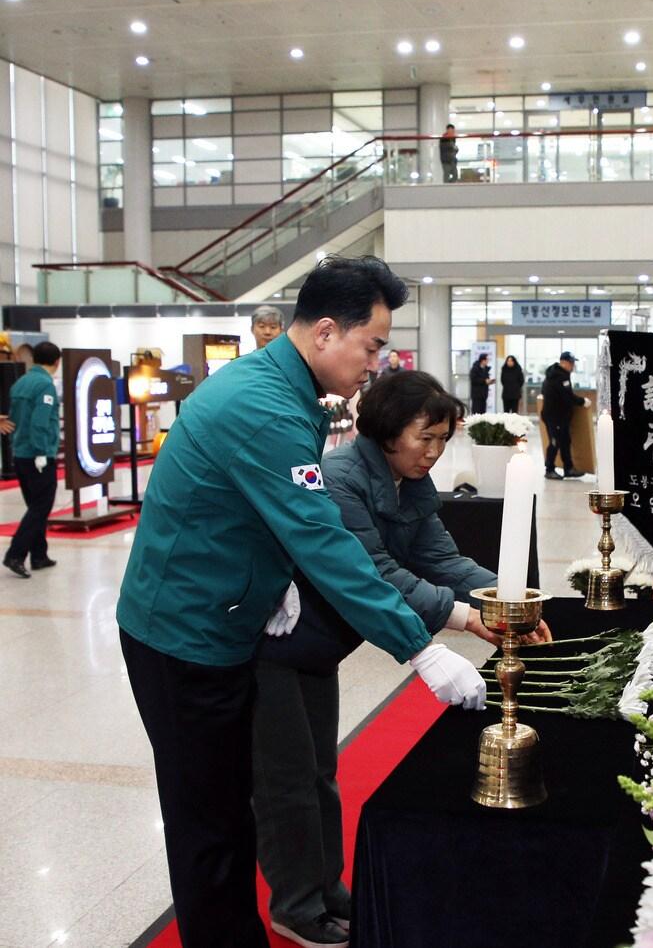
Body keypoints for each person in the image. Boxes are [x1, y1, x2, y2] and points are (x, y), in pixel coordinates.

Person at [116, 256, 488, 948]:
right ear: (325, 333)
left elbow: (275, 510)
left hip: (228, 617)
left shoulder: (290, 393)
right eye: (372, 345)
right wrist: (420, 648)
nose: (376, 362)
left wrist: (276, 572)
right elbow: (327, 540)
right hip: (182, 631)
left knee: (232, 805)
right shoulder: (264, 407)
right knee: (210, 822)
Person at [251, 370, 548, 948]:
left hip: (318, 648)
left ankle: (326, 889)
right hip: (279, 646)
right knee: (286, 782)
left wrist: (509, 596)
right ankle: (293, 905)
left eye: (443, 440)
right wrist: (467, 618)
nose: (434, 453)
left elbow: (441, 557)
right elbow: (379, 574)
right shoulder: (339, 479)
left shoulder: (408, 481)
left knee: (320, 774)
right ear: (387, 429)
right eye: (425, 438)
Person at [3, 341, 62, 578]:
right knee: (41, 506)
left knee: (34, 505)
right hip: (39, 455)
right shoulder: (45, 386)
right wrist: (41, 452)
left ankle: (39, 554)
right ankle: (15, 554)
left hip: (20, 454)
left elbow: (14, 419)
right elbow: (40, 422)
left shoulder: (20, 383)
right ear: (56, 362)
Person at [542, 350, 587, 480]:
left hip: (561, 417)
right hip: (554, 417)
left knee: (565, 441)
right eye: (571, 363)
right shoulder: (559, 376)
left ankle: (569, 468)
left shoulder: (558, 374)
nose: (573, 366)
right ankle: (549, 469)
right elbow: (567, 397)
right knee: (555, 442)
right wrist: (582, 401)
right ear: (564, 362)